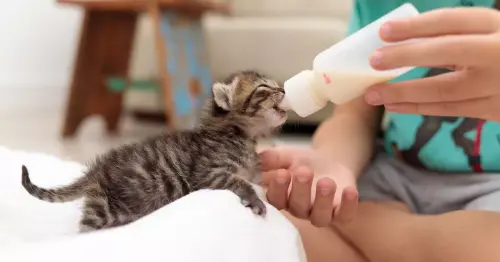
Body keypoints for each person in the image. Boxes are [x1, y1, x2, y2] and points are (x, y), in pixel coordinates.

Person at [260, 1, 500, 262]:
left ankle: (369, 229)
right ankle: (396, 245)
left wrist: (359, 220)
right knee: (270, 213)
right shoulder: (376, 6)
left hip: (491, 189)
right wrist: (332, 164)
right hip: (394, 176)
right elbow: (354, 117)